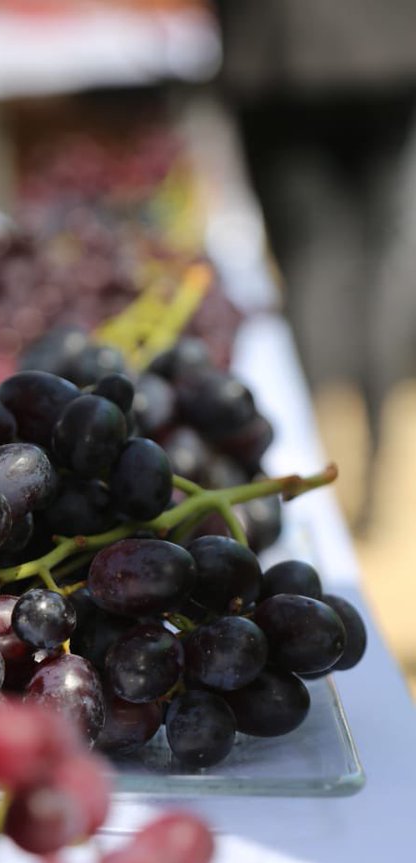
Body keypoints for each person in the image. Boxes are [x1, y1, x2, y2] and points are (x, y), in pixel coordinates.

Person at [213, 0, 416, 530]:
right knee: (375, 259)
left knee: (313, 260)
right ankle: (367, 458)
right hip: (385, 45)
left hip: (281, 48)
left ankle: (335, 464)